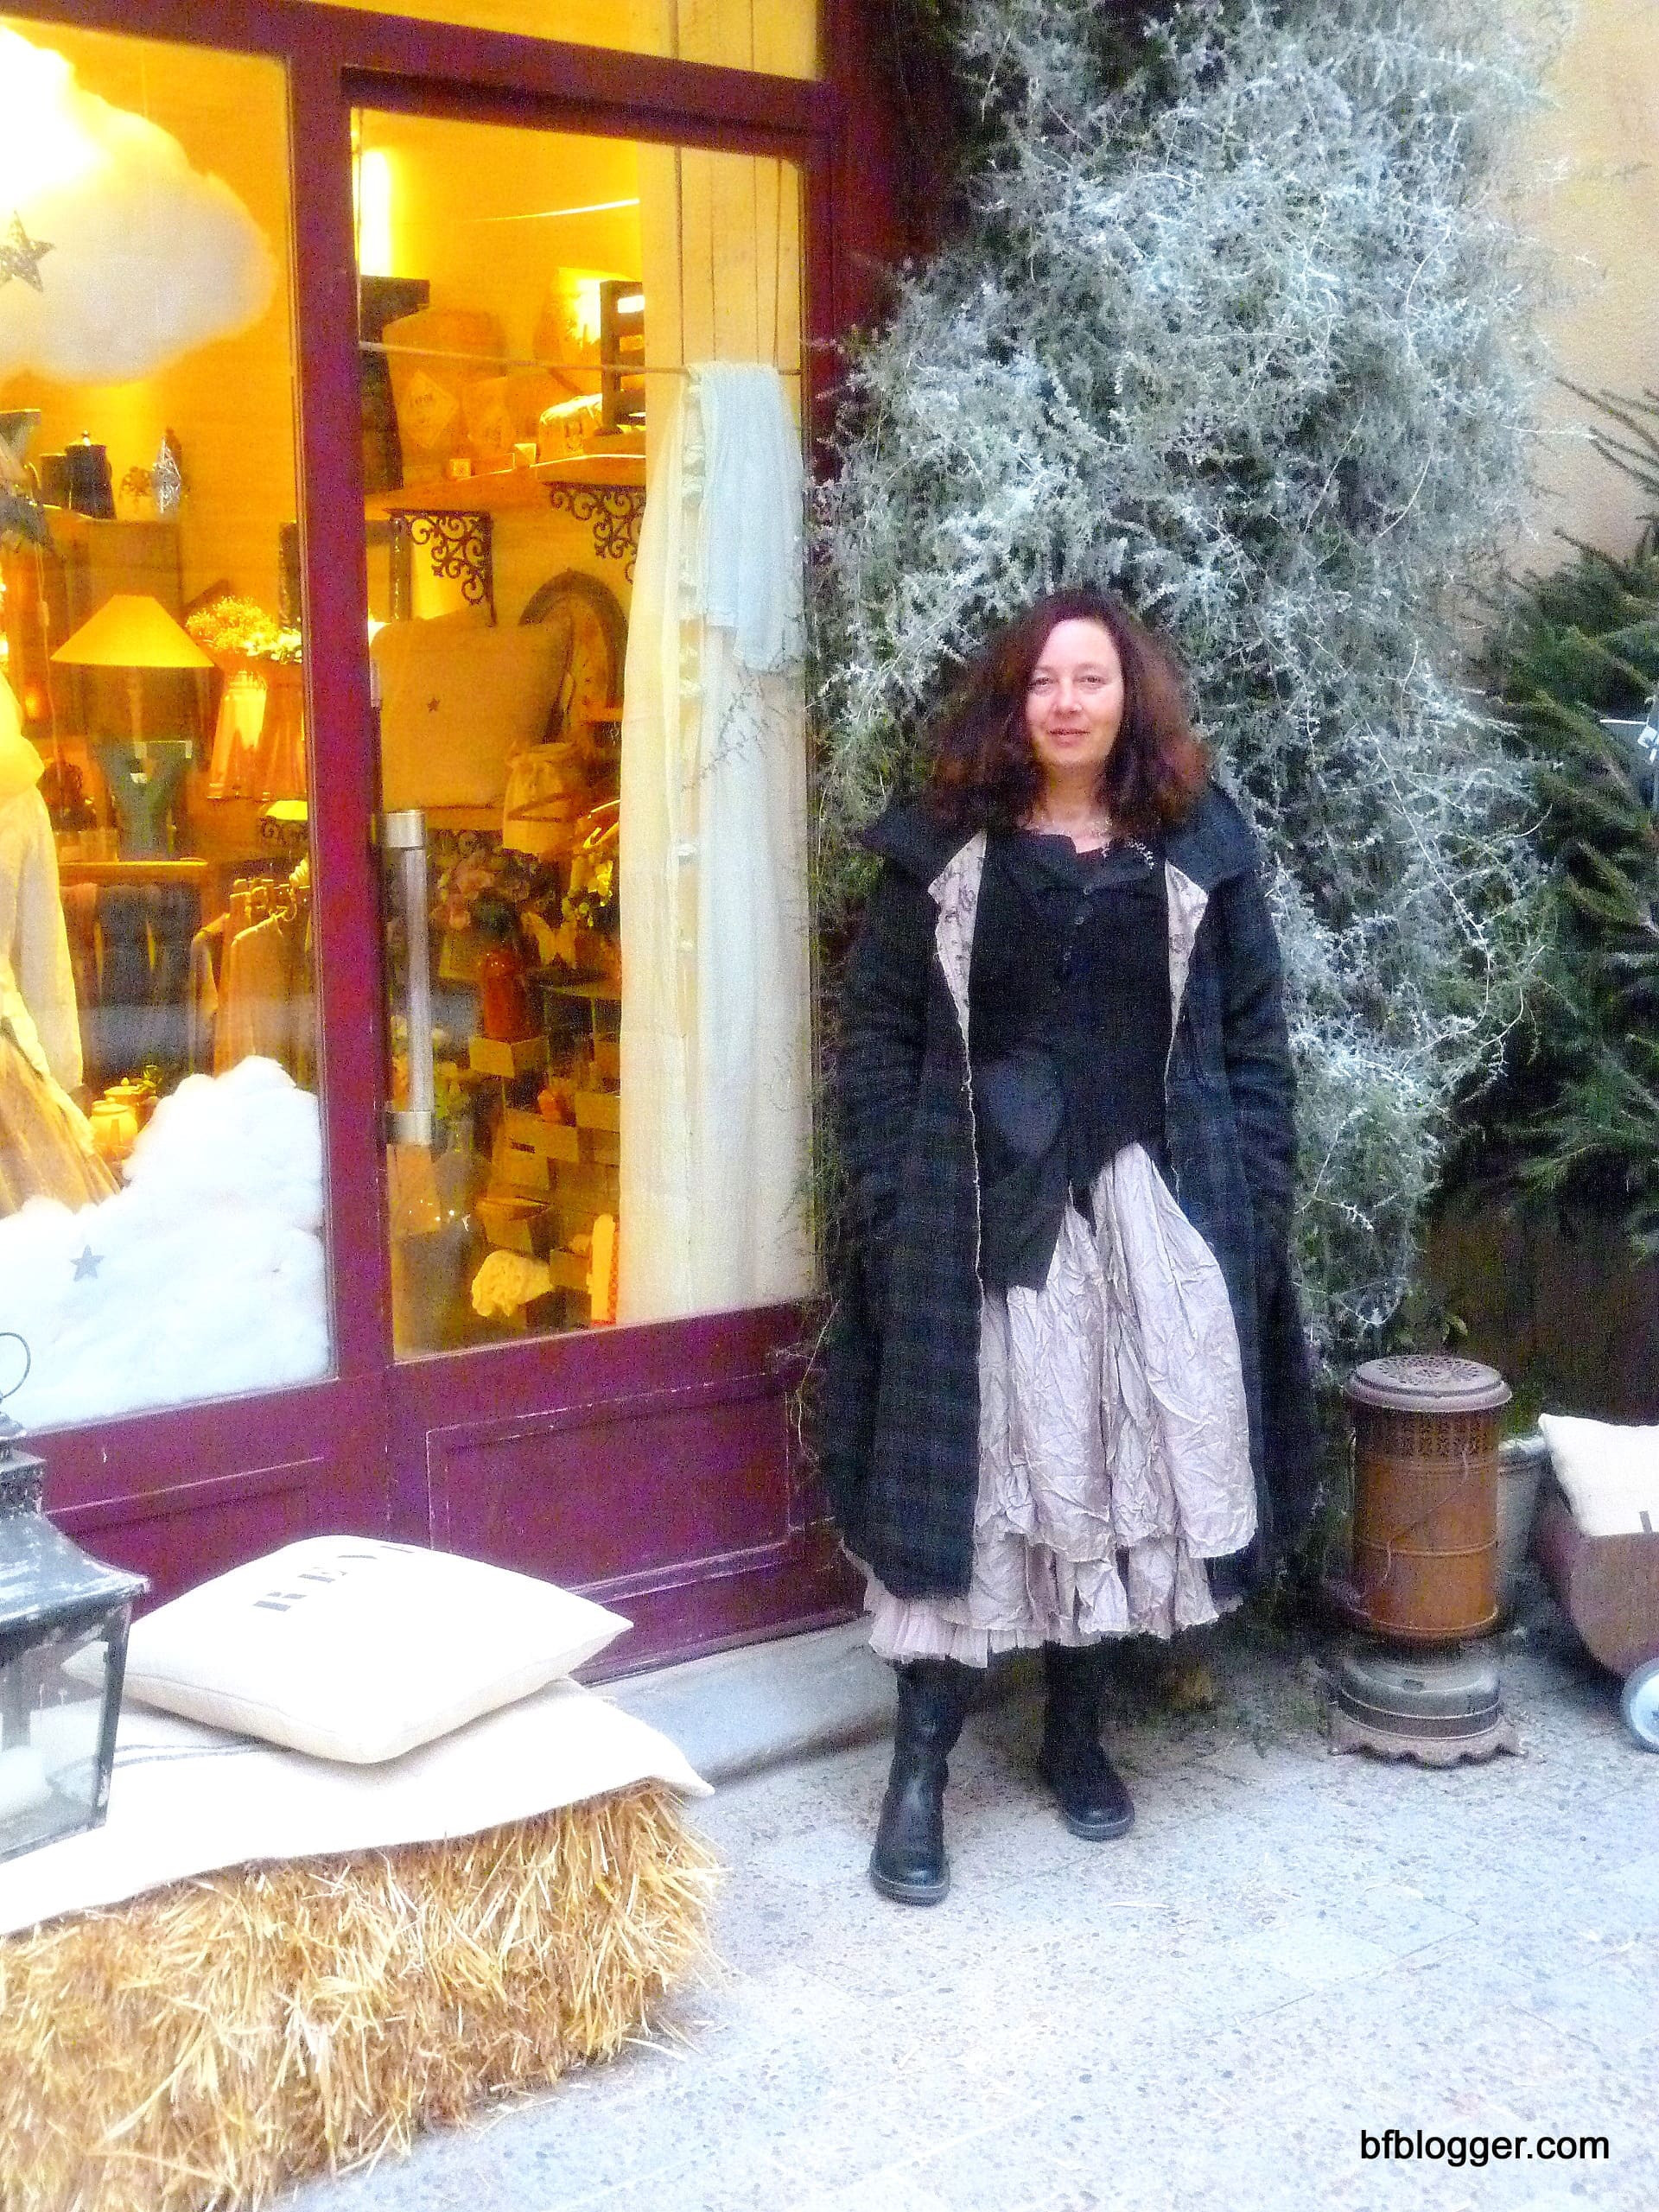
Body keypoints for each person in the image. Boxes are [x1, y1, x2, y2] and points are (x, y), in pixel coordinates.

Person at [823, 586, 1318, 1904]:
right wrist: (889, 1194)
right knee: (972, 1493)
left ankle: (1077, 1731)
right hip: (978, 1223)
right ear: (1014, 702)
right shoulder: (943, 851)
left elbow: (1255, 1044)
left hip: (1146, 1219)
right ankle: (920, 1767)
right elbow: (874, 1041)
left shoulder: (1198, 849)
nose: (1066, 702)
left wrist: (1249, 1209)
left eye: (1090, 680)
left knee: (1107, 1475)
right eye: (1043, 681)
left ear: (1128, 698)